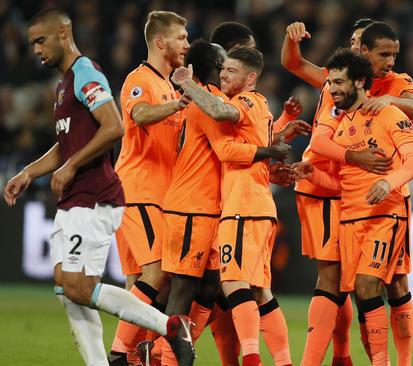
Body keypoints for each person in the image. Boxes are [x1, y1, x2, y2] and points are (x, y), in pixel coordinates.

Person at [3, 8, 194, 366]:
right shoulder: (64, 85)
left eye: (40, 41)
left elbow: (114, 126)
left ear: (63, 33)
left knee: (82, 285)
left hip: (94, 195)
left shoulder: (85, 72)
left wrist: (71, 166)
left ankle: (169, 327)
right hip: (77, 196)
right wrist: (30, 171)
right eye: (31, 45)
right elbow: (67, 144)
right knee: (67, 288)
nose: (36, 51)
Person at [282, 19, 413, 366]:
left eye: (392, 53)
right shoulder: (338, 88)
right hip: (333, 188)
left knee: (391, 284)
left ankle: (393, 361)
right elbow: (294, 64)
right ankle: (342, 358)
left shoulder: (395, 90)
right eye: (382, 53)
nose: (390, 60)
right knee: (341, 281)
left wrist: (391, 116)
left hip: (380, 196)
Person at [173, 46, 292, 366]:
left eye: (232, 71)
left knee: (233, 283)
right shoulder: (262, 104)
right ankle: (283, 362)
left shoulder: (245, 101)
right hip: (258, 205)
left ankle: (251, 359)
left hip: (243, 207)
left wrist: (188, 83)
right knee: (259, 290)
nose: (224, 75)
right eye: (222, 69)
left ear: (250, 78)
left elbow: (221, 119)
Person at [109, 10, 192, 365]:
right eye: (182, 37)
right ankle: (119, 353)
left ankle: (140, 355)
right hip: (140, 190)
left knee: (139, 281)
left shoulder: (170, 85)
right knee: (158, 272)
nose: (187, 44)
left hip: (157, 193)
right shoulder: (139, 79)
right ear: (161, 42)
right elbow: (139, 115)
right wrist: (178, 103)